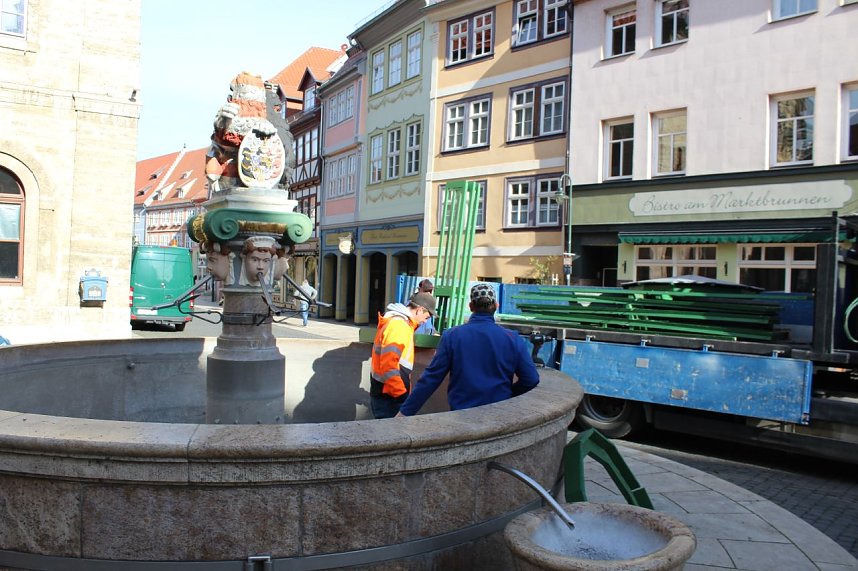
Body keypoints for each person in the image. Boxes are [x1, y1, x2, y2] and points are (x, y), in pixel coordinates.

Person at [396, 284, 539, 417]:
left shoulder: (452, 336)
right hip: (499, 415)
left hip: (462, 416)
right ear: (496, 306)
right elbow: (531, 379)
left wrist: (404, 413)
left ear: (471, 306)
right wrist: (508, 395)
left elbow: (431, 379)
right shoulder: (512, 339)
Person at [370, 292, 436, 419]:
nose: (425, 321)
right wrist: (401, 394)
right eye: (427, 317)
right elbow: (388, 365)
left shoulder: (399, 323)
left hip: (386, 393)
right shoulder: (400, 325)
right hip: (390, 397)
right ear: (419, 310)